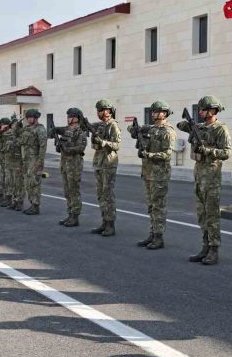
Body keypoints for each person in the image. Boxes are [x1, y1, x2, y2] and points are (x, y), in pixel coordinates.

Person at [177, 95, 232, 264]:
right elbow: (181, 124)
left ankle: (214, 249)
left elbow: (226, 153)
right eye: (199, 110)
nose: (200, 112)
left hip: (212, 175)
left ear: (213, 110)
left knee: (212, 214)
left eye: (203, 109)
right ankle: (205, 245)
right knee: (201, 213)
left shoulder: (220, 129)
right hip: (199, 174)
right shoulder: (199, 127)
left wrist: (208, 151)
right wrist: (191, 125)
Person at [130, 101, 176, 250]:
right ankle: (152, 233)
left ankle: (159, 237)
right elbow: (131, 128)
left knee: (158, 206)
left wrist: (148, 155)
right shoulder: (151, 128)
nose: (153, 114)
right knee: (151, 206)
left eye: (156, 111)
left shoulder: (167, 131)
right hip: (148, 173)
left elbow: (167, 154)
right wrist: (135, 129)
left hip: (159, 175)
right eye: (152, 111)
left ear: (164, 113)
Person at [87, 99, 122, 236]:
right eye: (98, 110)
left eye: (101, 110)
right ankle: (104, 222)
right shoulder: (100, 125)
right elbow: (94, 142)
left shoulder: (113, 126)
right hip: (99, 163)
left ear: (108, 111)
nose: (99, 113)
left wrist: (103, 142)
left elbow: (117, 145)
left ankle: (110, 225)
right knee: (101, 194)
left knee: (108, 195)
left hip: (108, 163)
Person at [50, 108, 88, 227]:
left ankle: (75, 216)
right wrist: (58, 145)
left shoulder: (80, 132)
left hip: (74, 164)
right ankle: (70, 213)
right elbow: (54, 133)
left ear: (77, 118)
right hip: (65, 163)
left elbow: (81, 148)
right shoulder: (66, 130)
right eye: (68, 116)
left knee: (74, 190)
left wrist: (68, 150)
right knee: (67, 191)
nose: (69, 119)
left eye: (71, 116)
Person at [20, 109, 48, 215]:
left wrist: (40, 162)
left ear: (36, 118)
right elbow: (18, 136)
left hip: (35, 160)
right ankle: (32, 203)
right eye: (28, 117)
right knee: (27, 184)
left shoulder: (40, 129)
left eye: (31, 117)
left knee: (34, 183)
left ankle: (36, 206)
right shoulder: (26, 129)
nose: (30, 119)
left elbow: (43, 146)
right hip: (26, 161)